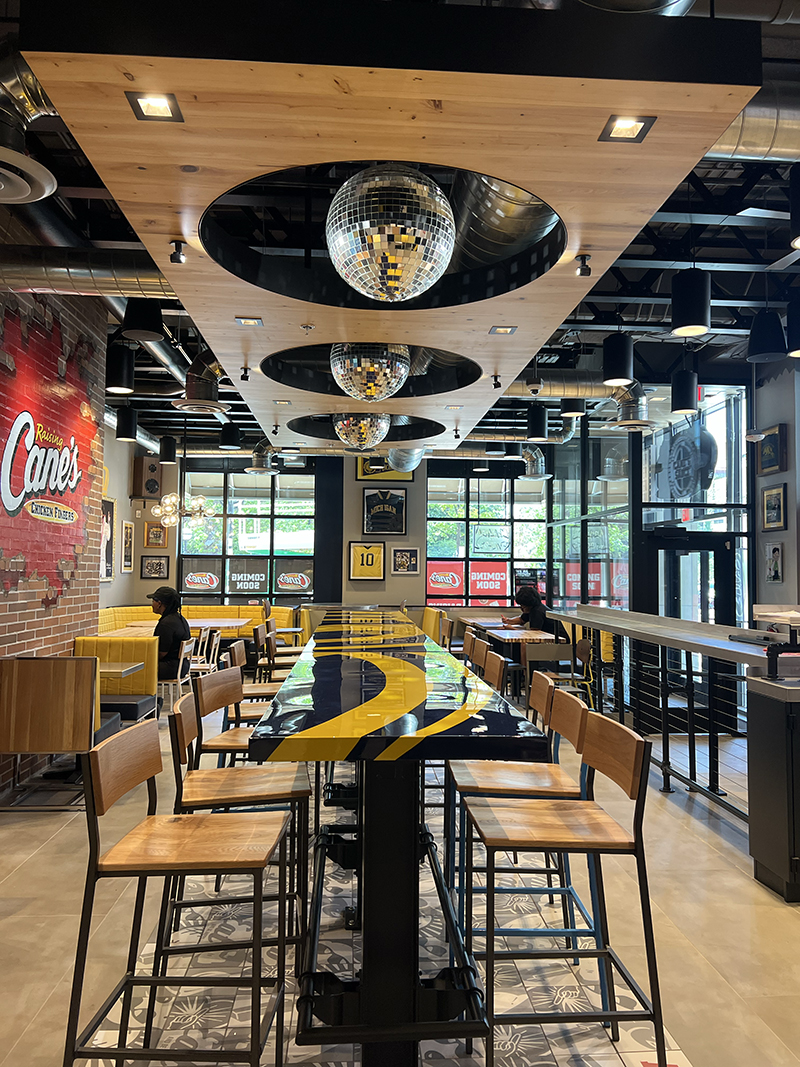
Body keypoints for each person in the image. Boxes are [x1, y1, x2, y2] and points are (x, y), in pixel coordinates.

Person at [147, 585, 192, 680]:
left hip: (170, 668)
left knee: (136, 670)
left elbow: (161, 653)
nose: (152, 604)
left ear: (159, 603)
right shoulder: (180, 618)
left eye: (153, 601)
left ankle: (147, 695)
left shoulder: (166, 624)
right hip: (183, 666)